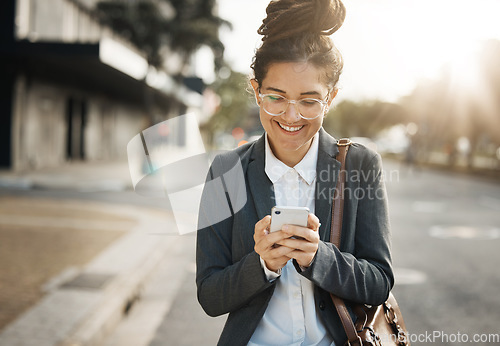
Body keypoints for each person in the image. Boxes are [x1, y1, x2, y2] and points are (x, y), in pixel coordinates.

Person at [196, 0, 394, 345]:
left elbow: (379, 281)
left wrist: (320, 257)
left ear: (330, 98)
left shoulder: (361, 165)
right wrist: (262, 265)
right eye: (276, 97)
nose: (291, 116)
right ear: (256, 91)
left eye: (308, 100)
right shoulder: (225, 171)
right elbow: (210, 295)